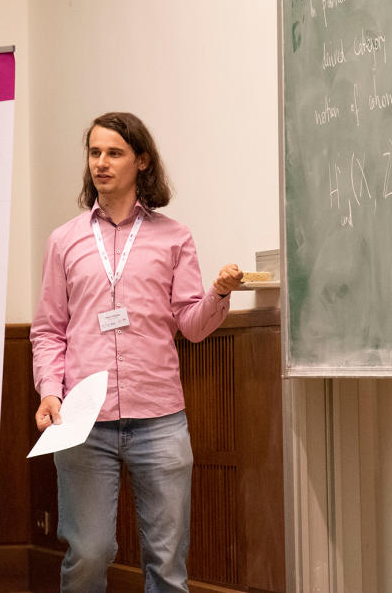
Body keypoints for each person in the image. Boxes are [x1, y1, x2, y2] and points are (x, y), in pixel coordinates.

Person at [30, 111, 244, 591]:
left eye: (114, 153)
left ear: (142, 161)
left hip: (159, 418)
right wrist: (49, 391)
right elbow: (48, 330)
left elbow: (191, 325)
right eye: (94, 153)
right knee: (88, 555)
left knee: (167, 563)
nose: (101, 163)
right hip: (83, 420)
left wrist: (218, 294)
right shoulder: (64, 241)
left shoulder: (174, 237)